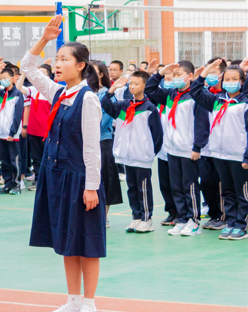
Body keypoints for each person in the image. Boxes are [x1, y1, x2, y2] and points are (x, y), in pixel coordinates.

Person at [20, 15, 105, 312]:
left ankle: (90, 304)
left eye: (64, 59)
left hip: (79, 178)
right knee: (67, 240)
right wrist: (44, 39)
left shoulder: (88, 99)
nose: (57, 64)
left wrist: (91, 187)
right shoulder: (58, 92)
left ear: (81, 65)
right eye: (56, 59)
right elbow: (27, 67)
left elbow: (92, 148)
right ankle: (73, 301)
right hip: (56, 175)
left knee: (87, 243)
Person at [191, 59, 248, 240]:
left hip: (238, 155)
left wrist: (247, 156)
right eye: (227, 79)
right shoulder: (217, 100)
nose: (230, 82)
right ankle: (231, 223)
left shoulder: (245, 102)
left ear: (242, 82)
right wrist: (205, 72)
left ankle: (242, 225)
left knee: (242, 192)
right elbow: (195, 91)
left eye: (235, 79)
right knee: (227, 192)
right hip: (219, 154)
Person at [145, 59, 202, 237]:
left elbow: (201, 124)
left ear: (190, 76)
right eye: (173, 75)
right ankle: (182, 219)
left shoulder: (196, 96)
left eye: (179, 75)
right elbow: (150, 89)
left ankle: (194, 221)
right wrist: (160, 73)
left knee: (189, 186)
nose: (175, 78)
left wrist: (197, 147)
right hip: (172, 148)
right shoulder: (170, 95)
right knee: (176, 186)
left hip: (188, 149)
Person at [102, 71, 163, 232]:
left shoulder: (150, 108)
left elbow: (157, 135)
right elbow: (105, 104)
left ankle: (146, 219)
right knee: (132, 188)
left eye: (136, 84)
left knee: (143, 188)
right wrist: (112, 89)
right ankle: (136, 217)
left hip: (142, 156)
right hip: (126, 156)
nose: (132, 86)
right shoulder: (123, 105)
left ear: (144, 85)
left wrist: (149, 151)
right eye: (131, 83)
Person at [92, 61, 124, 227]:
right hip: (86, 143)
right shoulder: (85, 92)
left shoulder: (106, 94)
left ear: (101, 74)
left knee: (104, 179)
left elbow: (104, 119)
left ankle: (103, 217)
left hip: (102, 142)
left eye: (92, 71)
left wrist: (88, 132)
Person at [0, 63, 24, 194]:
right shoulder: (0, 93)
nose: (2, 80)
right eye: (1, 78)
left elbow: (17, 115)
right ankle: (7, 184)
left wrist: (12, 132)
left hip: (11, 134)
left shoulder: (17, 94)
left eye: (5, 78)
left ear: (12, 79)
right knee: (4, 161)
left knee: (14, 160)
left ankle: (16, 184)